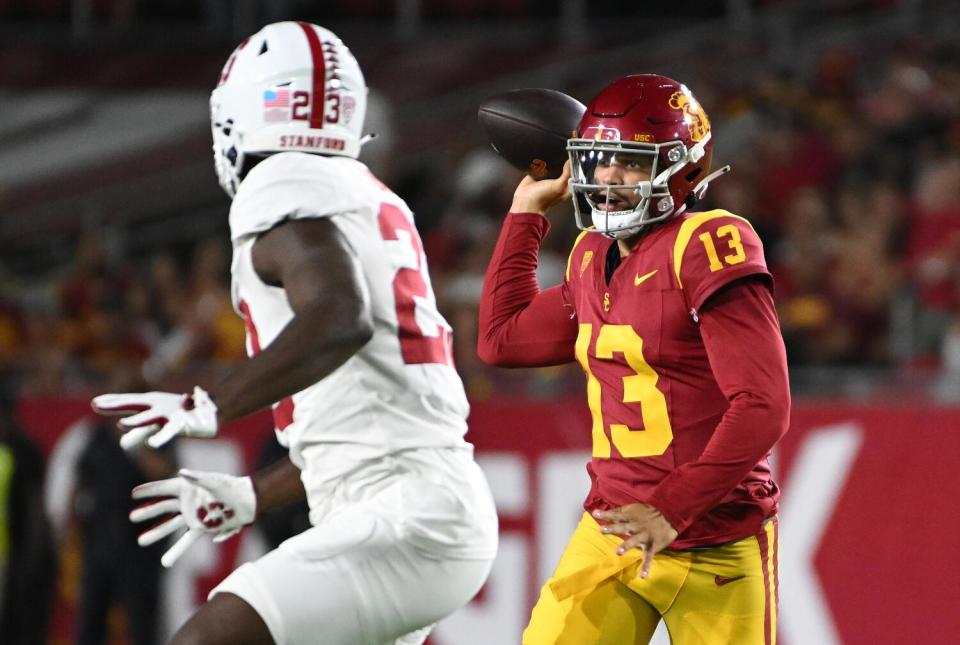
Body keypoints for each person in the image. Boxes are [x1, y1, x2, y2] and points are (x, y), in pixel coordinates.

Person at [91, 21, 497, 645]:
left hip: (404, 516)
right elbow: (368, 431)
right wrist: (256, 495)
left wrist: (212, 404)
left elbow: (340, 317)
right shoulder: (365, 194)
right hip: (418, 506)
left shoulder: (278, 182)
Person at [477, 74, 790, 644]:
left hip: (716, 539)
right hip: (614, 529)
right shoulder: (590, 254)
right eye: (599, 161)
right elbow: (500, 339)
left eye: (631, 164)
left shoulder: (709, 243)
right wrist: (525, 213)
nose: (608, 179)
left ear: (683, 169)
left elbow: (764, 405)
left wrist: (671, 508)